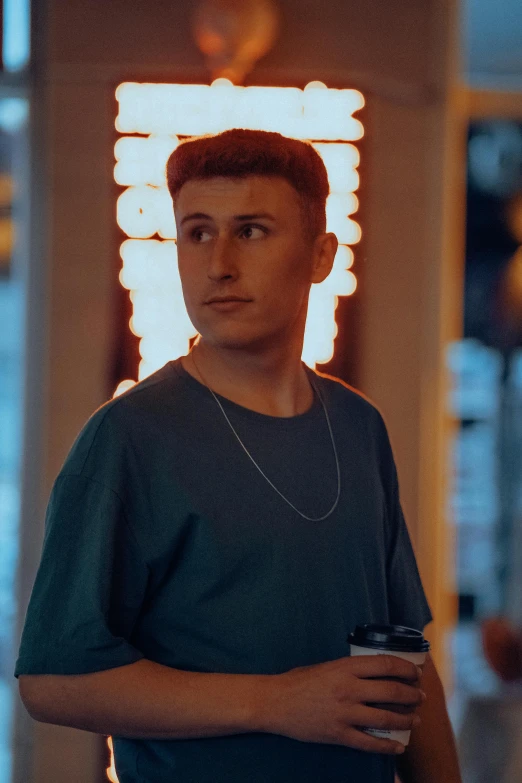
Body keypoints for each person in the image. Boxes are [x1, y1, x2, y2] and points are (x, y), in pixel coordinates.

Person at [14, 128, 461, 783]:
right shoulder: (129, 437)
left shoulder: (360, 426)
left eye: (250, 230)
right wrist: (276, 701)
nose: (218, 262)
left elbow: (406, 665)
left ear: (321, 255)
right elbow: (53, 679)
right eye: (197, 232)